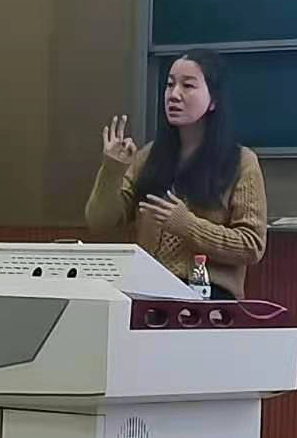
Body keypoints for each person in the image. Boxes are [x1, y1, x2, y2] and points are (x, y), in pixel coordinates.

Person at [86, 49, 267, 299]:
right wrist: (112, 169)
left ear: (213, 100)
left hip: (208, 296)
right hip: (147, 292)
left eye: (188, 85)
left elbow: (251, 246)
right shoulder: (148, 157)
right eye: (170, 85)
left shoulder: (241, 162)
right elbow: (99, 222)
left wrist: (186, 224)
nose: (174, 95)